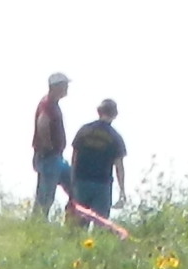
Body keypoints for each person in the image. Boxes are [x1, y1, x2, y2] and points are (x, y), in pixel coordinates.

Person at [67, 98, 126, 221]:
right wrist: (122, 190)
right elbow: (119, 166)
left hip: (81, 181)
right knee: (101, 224)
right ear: (115, 114)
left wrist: (72, 181)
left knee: (77, 224)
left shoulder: (84, 130)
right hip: (102, 185)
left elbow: (74, 158)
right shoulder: (115, 137)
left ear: (99, 111)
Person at [31, 70, 74, 217]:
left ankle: (71, 218)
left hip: (55, 157)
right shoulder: (47, 104)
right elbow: (42, 123)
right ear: (56, 87)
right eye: (65, 85)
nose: (67, 88)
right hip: (49, 157)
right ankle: (37, 224)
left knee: (73, 185)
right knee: (45, 196)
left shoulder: (52, 104)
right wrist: (48, 146)